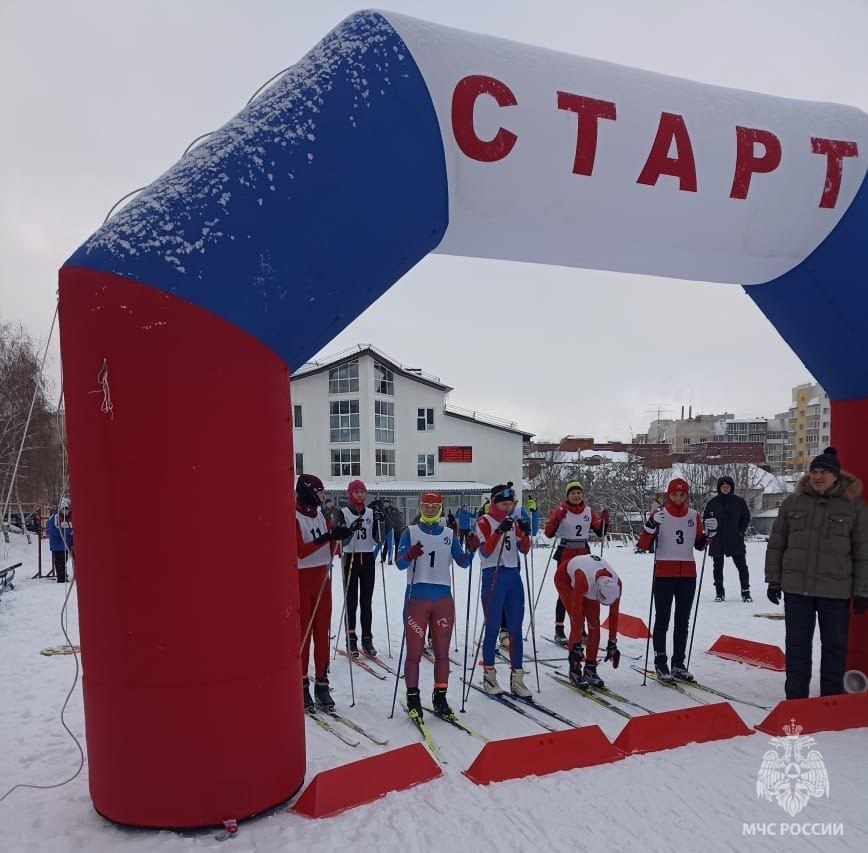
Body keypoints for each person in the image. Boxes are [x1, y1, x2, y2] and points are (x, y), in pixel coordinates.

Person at [765, 447, 868, 699]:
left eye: (823, 472)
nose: (818, 476)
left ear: (836, 476)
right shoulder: (792, 503)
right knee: (797, 647)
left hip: (835, 590)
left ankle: (830, 702)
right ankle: (796, 699)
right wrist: (773, 581)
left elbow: (863, 551)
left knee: (834, 648)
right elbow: (777, 544)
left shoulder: (853, 506)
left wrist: (862, 591)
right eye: (814, 471)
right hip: (796, 589)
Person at [396, 492, 476, 720]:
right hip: (416, 598)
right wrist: (409, 554)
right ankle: (413, 698)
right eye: (426, 505)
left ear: (440, 508)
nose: (430, 509)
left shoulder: (449, 534)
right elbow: (399, 564)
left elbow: (462, 563)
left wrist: (471, 549)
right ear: (421, 507)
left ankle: (440, 697)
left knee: (442, 653)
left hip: (442, 599)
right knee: (414, 653)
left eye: (434, 506)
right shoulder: (410, 532)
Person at [637, 477, 712, 683]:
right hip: (664, 573)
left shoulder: (694, 515)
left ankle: (678, 662)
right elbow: (643, 545)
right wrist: (651, 525)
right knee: (662, 619)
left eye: (682, 494)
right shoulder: (660, 514)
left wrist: (709, 535)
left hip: (687, 574)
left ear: (686, 495)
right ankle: (661, 662)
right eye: (674, 494)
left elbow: (699, 544)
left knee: (682, 621)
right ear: (669, 495)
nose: (678, 498)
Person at [295, 474, 351, 711]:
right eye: (318, 492)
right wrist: (328, 537)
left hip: (322, 579)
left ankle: (321, 682)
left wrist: (340, 537)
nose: (322, 496)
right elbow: (300, 550)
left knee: (322, 632)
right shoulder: (294, 516)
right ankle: (301, 683)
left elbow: (332, 549)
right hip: (301, 579)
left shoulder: (321, 515)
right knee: (304, 634)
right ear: (307, 491)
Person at [476, 481, 533, 696]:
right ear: (494, 503)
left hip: (513, 575)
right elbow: (486, 552)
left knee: (515, 629)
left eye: (511, 504)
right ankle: (489, 677)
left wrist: (526, 533)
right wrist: (499, 531)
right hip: (494, 574)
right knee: (492, 627)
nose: (508, 508)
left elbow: (525, 549)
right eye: (504, 504)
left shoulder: (514, 521)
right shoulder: (484, 521)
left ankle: (517, 677)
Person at [544, 481, 609, 645]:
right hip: (566, 553)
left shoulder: (588, 511)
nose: (576, 495)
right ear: (568, 496)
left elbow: (600, 532)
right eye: (572, 493)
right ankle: (559, 629)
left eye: (578, 492)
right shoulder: (561, 510)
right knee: (565, 592)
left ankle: (582, 630)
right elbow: (549, 533)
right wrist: (556, 517)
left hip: (583, 554)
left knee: (584, 591)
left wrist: (605, 522)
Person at [559, 554, 623, 689]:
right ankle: (574, 669)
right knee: (579, 620)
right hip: (564, 577)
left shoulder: (616, 585)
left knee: (594, 623)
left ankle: (590, 668)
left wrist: (612, 643)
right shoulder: (584, 579)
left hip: (591, 580)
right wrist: (576, 646)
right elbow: (576, 616)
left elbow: (614, 613)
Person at [340, 479, 381, 657]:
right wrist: (350, 529)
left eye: (362, 491)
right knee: (351, 601)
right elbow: (342, 541)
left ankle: (367, 639)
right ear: (350, 493)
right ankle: (351, 640)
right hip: (351, 557)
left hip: (368, 557)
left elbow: (379, 538)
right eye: (356, 492)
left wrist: (381, 522)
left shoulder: (371, 512)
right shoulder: (343, 513)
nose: (359, 495)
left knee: (366, 601)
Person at [703, 475, 752, 602]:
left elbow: (746, 517)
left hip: (735, 539)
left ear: (732, 487)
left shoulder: (739, 502)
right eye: (723, 486)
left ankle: (746, 592)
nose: (725, 488)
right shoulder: (712, 503)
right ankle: (719, 592)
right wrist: (709, 530)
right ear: (719, 488)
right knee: (717, 567)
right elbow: (705, 520)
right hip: (717, 540)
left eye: (728, 486)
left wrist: (740, 531)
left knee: (742, 566)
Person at [46, 497, 73, 583]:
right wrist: (68, 533)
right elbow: (56, 530)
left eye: (67, 510)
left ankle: (63, 576)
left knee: (64, 562)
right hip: (58, 545)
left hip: (65, 545)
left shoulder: (68, 518)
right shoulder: (55, 517)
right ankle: (61, 579)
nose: (67, 512)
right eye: (65, 510)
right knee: (59, 563)